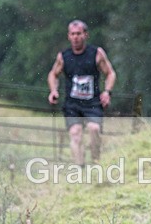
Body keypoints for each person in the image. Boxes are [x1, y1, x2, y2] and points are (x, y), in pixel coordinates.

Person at [47, 20, 116, 165]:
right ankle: (80, 168)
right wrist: (53, 90)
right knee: (75, 134)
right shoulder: (63, 57)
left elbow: (110, 73)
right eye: (72, 34)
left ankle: (96, 161)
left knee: (94, 129)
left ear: (85, 35)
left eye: (78, 33)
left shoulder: (96, 53)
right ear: (68, 36)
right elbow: (53, 74)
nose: (75, 37)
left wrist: (107, 92)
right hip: (72, 104)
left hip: (92, 103)